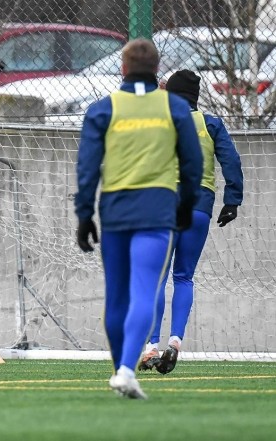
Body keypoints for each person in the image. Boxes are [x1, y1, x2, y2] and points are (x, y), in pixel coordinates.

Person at [74, 39, 203, 399]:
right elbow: (193, 164)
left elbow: (87, 168)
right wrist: (186, 203)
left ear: (123, 68)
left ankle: (122, 369)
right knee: (145, 290)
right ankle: (127, 371)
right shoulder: (174, 108)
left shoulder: (103, 109)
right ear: (157, 69)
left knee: (116, 296)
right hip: (157, 211)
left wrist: (85, 215)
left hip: (115, 212)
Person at [139, 70, 244, 374]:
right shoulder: (211, 124)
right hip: (199, 205)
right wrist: (232, 200)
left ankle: (151, 346)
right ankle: (175, 342)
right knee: (183, 276)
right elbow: (231, 161)